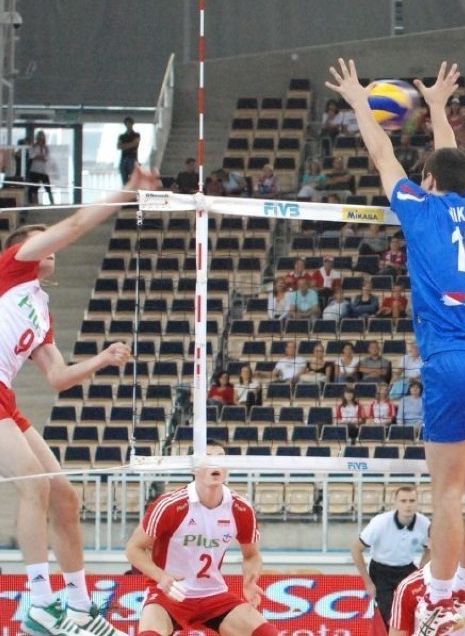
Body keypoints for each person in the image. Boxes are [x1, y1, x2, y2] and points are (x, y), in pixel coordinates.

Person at [327, 58, 465, 634]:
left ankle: (438, 594)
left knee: (448, 490)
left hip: (452, 362)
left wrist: (360, 101)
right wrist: (436, 107)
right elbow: (449, 161)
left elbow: (383, 155)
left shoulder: (418, 206)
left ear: (427, 180)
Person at [1, 165, 159, 636]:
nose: (51, 244)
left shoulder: (38, 306)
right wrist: (129, 191)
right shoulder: (13, 264)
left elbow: (57, 378)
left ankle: (78, 605)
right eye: (43, 238)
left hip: (7, 395)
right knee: (34, 485)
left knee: (65, 496)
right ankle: (38, 602)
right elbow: (71, 228)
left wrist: (102, 358)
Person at [125, 441, 274, 636]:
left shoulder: (241, 509)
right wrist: (161, 576)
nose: (215, 463)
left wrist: (249, 581)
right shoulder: (170, 505)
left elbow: (252, 555)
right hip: (169, 593)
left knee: (267, 633)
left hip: (213, 595)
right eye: (208, 458)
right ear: (194, 468)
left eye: (221, 458)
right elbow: (133, 549)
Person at [351, 485, 431, 628]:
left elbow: (429, 549)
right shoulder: (380, 522)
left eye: (412, 501)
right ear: (395, 503)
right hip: (381, 571)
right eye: (403, 501)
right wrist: (368, 582)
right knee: (390, 618)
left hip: (407, 569)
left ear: (417, 503)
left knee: (416, 613)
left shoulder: (424, 523)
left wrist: (421, 572)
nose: (408, 505)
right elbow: (356, 549)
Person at [27, 131, 55, 205]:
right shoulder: (33, 146)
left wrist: (37, 157)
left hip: (43, 171)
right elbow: (31, 156)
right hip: (34, 170)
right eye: (39, 138)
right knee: (33, 188)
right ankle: (33, 203)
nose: (41, 140)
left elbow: (46, 158)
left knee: (48, 187)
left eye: (42, 139)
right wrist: (39, 157)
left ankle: (52, 202)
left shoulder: (46, 148)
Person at [117, 117, 141, 185]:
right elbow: (119, 146)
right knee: (124, 181)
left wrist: (124, 146)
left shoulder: (136, 135)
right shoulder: (122, 136)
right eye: (127, 123)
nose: (128, 125)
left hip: (132, 159)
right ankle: (126, 194)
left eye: (129, 123)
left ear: (132, 124)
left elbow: (135, 144)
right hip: (124, 159)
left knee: (133, 180)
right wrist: (130, 145)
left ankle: (132, 194)